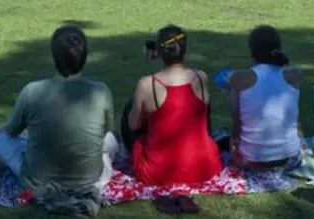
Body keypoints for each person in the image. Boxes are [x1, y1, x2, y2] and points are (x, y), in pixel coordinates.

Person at [0, 25, 119, 198]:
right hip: (92, 182)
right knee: (110, 139)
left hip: (38, 182)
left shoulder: (32, 91)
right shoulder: (101, 92)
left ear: (54, 57)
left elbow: (11, 131)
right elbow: (105, 132)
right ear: (85, 56)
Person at [123, 25, 222, 196]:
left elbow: (133, 125)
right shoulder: (201, 77)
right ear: (185, 49)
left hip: (159, 173)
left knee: (131, 109)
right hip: (204, 167)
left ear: (159, 52)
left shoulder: (147, 84)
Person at [228, 25, 304, 170]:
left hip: (250, 159)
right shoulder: (295, 75)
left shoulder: (239, 79)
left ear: (252, 50)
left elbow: (236, 127)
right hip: (290, 158)